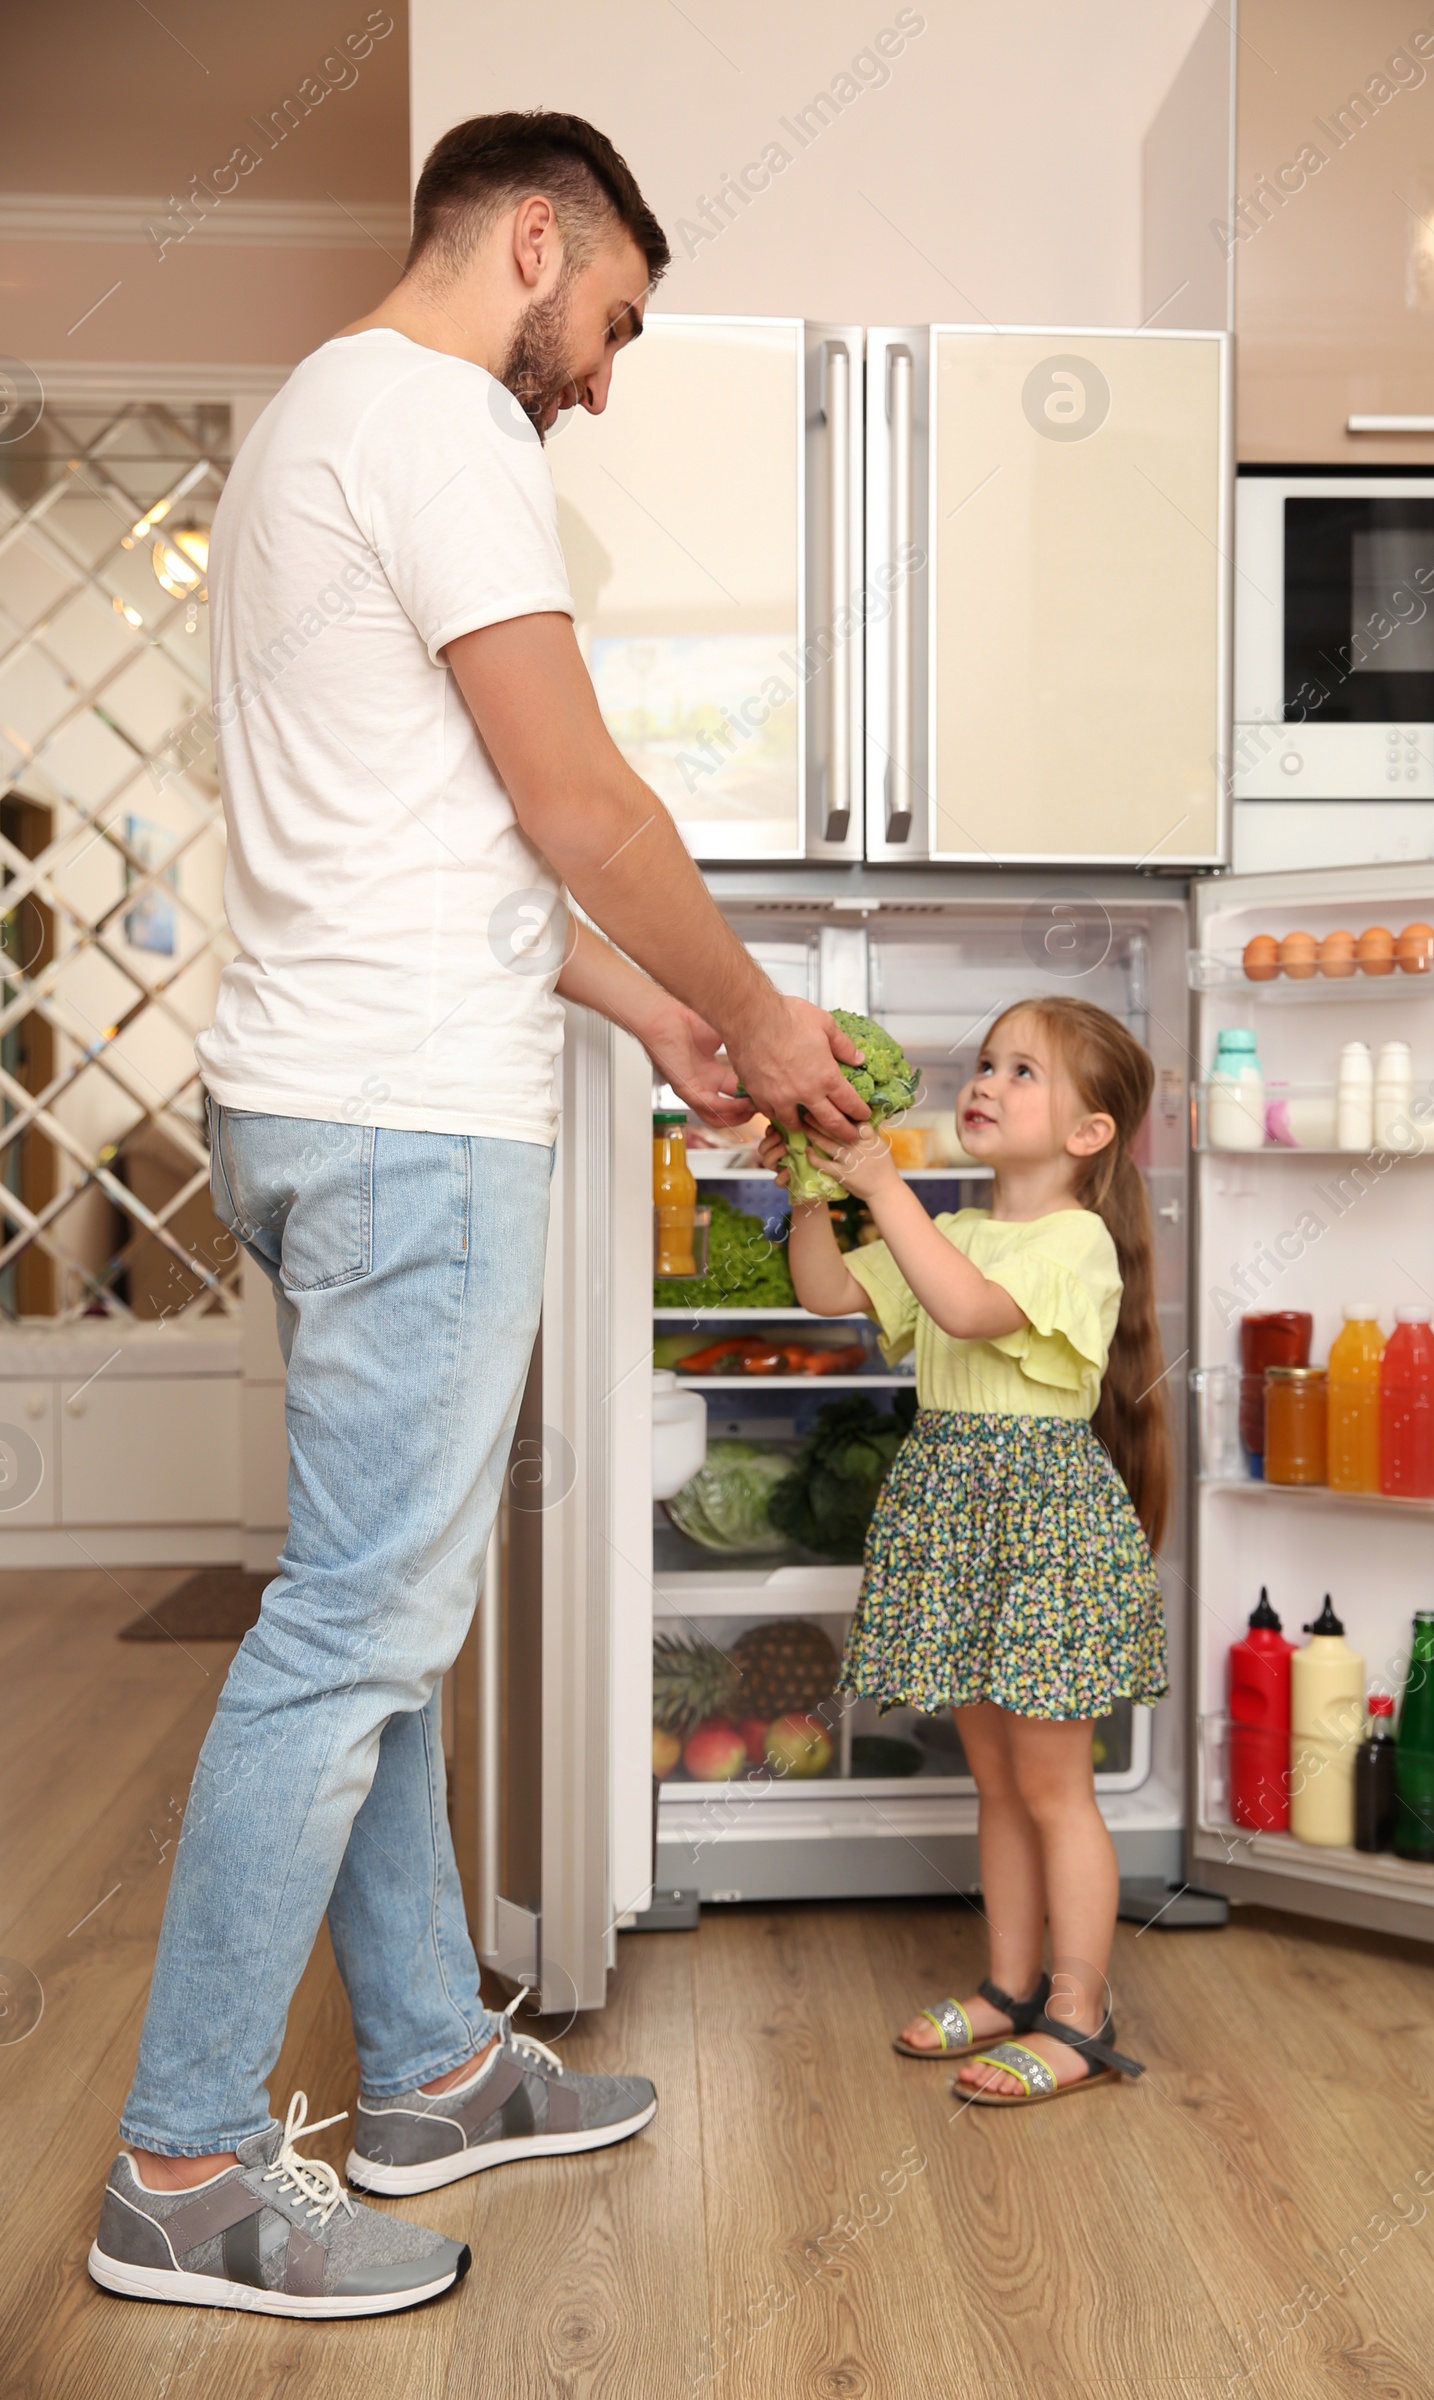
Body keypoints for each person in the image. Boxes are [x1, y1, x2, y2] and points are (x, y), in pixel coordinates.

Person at [89, 109, 869, 2319]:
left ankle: (424, 2062)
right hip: (404, 1130)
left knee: (379, 1610)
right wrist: (761, 1014)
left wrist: (658, 1021)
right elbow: (578, 802)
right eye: (611, 319)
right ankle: (181, 2165)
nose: (605, 374)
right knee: (346, 1632)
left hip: (316, 1089)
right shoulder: (439, 418)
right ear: (533, 240)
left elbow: (464, 865)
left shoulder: (309, 427)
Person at [766, 995, 1170, 2106]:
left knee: (1054, 1789)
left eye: (1023, 1072)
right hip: (956, 1515)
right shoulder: (954, 1228)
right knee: (993, 1780)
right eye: (986, 1064)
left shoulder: (1074, 1242)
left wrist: (881, 1181)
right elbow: (830, 1290)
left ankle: (1079, 2016)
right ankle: (1007, 1986)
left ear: (1090, 1134)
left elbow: (970, 1310)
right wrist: (812, 1183)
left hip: (1042, 1531)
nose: (986, 1082)